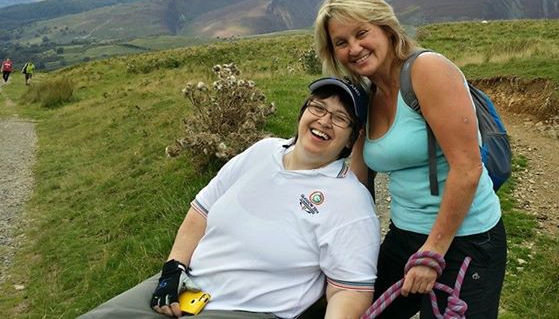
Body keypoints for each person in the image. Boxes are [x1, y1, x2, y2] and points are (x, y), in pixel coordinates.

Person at [80, 77, 381, 319]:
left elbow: (350, 291)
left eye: (341, 118)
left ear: (352, 138)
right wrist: (173, 268)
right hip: (188, 284)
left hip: (248, 309)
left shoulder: (349, 201)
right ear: (304, 111)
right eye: (318, 107)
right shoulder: (263, 151)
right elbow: (201, 211)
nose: (325, 121)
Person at [314, 0, 507, 318]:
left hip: (465, 240)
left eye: (362, 33)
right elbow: (359, 176)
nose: (354, 49)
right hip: (404, 235)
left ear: (386, 28)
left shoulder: (427, 71)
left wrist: (433, 252)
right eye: (341, 42)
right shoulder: (367, 92)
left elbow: (468, 168)